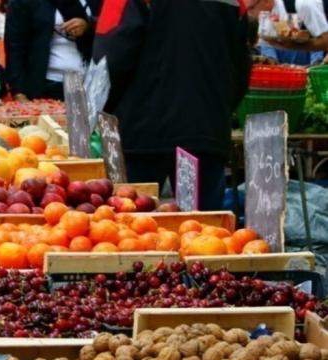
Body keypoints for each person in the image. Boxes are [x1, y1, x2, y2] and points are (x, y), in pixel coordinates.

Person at [93, 0, 250, 211]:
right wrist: (219, 109)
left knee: (130, 228)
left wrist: (108, 111)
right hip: (205, 130)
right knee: (205, 232)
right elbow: (241, 67)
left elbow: (109, 60)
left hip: (141, 131)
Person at [5, 0, 100, 101]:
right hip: (48, 84)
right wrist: (19, 92)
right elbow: (15, 47)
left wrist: (89, 25)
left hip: (90, 83)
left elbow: (111, 30)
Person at [248, 0, 326, 64]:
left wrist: (290, 46)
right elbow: (267, 46)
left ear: (266, 1)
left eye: (251, 9)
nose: (249, 14)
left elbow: (325, 41)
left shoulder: (303, 4)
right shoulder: (266, 17)